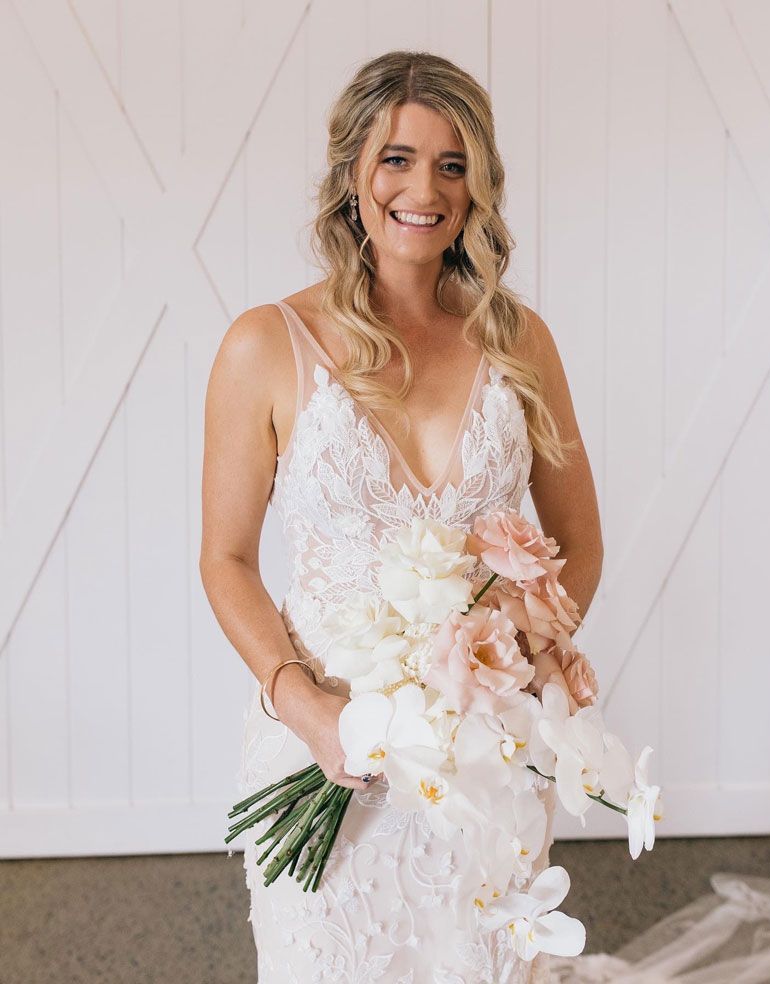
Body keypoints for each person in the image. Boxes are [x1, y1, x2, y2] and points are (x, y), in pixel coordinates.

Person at [200, 50, 603, 984]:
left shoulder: (519, 339)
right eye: (397, 159)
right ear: (352, 174)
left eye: (453, 165)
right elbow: (225, 558)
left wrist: (520, 645)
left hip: (485, 757)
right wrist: (306, 710)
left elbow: (578, 543)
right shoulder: (265, 345)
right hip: (328, 750)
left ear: (478, 187)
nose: (425, 188)